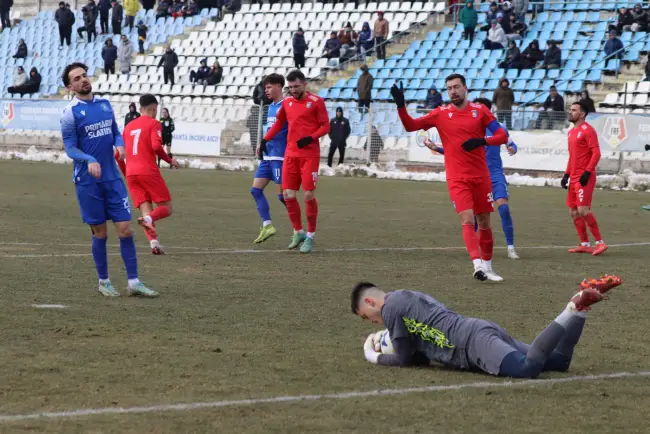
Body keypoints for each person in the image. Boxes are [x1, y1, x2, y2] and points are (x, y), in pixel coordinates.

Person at [351, 277, 622, 376]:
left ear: (371, 301)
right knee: (559, 362)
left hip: (471, 344)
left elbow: (404, 359)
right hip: (476, 331)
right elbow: (419, 355)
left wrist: (374, 356)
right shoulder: (403, 296)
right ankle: (582, 309)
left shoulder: (391, 308)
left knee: (527, 368)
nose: (374, 321)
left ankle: (571, 307)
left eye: (366, 316)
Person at [391, 74, 509, 282]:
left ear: (466, 88)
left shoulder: (480, 111)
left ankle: (489, 267)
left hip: (481, 176)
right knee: (467, 218)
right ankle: (477, 265)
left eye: (456, 87)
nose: (453, 91)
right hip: (457, 177)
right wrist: (401, 105)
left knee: (484, 222)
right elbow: (410, 126)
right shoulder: (440, 113)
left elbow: (502, 136)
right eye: (449, 88)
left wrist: (482, 141)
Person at [60, 62, 156, 297]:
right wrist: (88, 158)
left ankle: (133, 282)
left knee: (126, 230)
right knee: (100, 233)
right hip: (87, 181)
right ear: (70, 87)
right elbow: (70, 148)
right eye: (76, 78)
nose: (83, 80)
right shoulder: (70, 113)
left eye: (84, 75)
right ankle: (103, 281)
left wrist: (120, 145)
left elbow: (115, 132)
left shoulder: (104, 105)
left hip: (112, 178)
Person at [263, 70, 330, 254]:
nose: (293, 90)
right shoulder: (288, 103)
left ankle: (310, 236)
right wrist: (265, 140)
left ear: (304, 84)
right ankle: (298, 232)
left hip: (309, 156)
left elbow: (326, 126)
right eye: (290, 87)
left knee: (308, 196)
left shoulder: (316, 102)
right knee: (288, 195)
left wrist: (311, 138)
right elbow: (278, 123)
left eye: (296, 87)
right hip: (291, 155)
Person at [123, 94, 179, 255]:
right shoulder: (154, 123)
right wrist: (169, 160)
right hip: (147, 171)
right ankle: (147, 221)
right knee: (166, 208)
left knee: (146, 209)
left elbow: (118, 155)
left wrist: (126, 172)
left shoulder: (128, 127)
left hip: (131, 173)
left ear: (140, 108)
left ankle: (154, 244)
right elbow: (156, 146)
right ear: (154, 108)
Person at [561, 102, 607, 256]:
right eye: (570, 110)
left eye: (573, 110)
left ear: (582, 114)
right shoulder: (571, 132)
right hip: (573, 177)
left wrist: (587, 172)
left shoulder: (588, 131)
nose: (570, 112)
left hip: (584, 177)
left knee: (583, 209)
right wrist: (566, 174)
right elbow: (572, 156)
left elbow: (596, 153)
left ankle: (600, 243)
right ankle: (585, 244)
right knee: (573, 212)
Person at [251, 73, 288, 244]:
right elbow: (271, 130)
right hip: (268, 155)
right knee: (255, 190)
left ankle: (299, 229)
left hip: (280, 157)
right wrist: (262, 143)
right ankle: (267, 226)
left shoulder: (287, 105)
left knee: (283, 197)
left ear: (279, 86)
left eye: (269, 87)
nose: (266, 90)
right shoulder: (272, 107)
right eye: (265, 87)